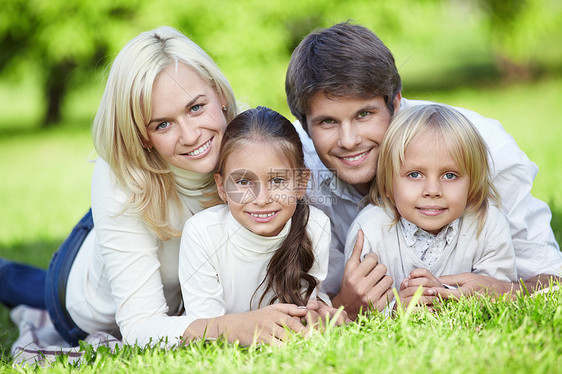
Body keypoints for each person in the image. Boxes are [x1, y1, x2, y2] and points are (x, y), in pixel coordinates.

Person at [0, 27, 312, 347]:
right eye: (162, 124)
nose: (191, 135)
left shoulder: (250, 136)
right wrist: (226, 328)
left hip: (171, 269)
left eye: (195, 107)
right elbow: (138, 328)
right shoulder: (119, 181)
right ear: (143, 134)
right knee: (21, 284)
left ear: (218, 93)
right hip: (84, 296)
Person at [285, 21, 562, 319]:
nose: (349, 141)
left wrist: (507, 292)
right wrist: (347, 306)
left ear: (395, 102)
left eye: (364, 114)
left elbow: (553, 282)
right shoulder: (294, 172)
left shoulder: (484, 151)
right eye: (328, 122)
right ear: (305, 126)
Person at [178, 106, 345, 345]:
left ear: (300, 183)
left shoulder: (315, 226)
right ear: (222, 187)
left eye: (277, 180)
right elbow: (207, 330)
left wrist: (319, 314)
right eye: (244, 181)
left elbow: (303, 314)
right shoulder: (202, 233)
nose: (262, 199)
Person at [344, 104, 517, 310]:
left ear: (472, 184)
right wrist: (394, 309)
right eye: (415, 174)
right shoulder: (370, 231)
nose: (433, 190)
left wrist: (443, 296)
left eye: (450, 175)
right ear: (388, 185)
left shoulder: (487, 224)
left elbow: (497, 298)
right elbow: (360, 308)